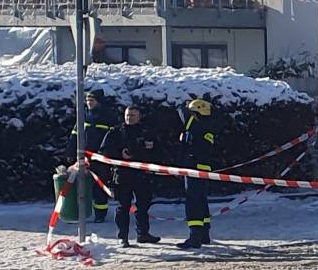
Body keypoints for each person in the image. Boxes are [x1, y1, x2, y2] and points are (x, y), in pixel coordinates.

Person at [104, 105, 163, 247]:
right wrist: (120, 155)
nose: (129, 118)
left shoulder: (147, 132)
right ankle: (122, 237)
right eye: (127, 115)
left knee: (143, 206)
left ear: (139, 116)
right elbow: (105, 152)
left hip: (142, 175)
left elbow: (158, 151)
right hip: (123, 175)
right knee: (123, 206)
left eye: (132, 116)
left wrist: (153, 166)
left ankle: (143, 234)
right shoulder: (116, 132)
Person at [176, 97, 219, 249]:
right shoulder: (206, 125)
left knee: (193, 202)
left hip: (194, 168)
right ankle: (204, 234)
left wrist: (184, 103)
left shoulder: (196, 125)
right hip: (201, 168)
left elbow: (181, 112)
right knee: (201, 200)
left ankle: (195, 237)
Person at [81, 89, 120, 223]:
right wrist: (70, 151)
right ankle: (81, 213)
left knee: (100, 187)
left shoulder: (109, 116)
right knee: (83, 186)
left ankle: (100, 214)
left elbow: (113, 137)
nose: (89, 103)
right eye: (87, 100)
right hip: (85, 157)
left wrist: (106, 153)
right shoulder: (84, 115)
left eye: (92, 100)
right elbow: (75, 134)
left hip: (101, 158)